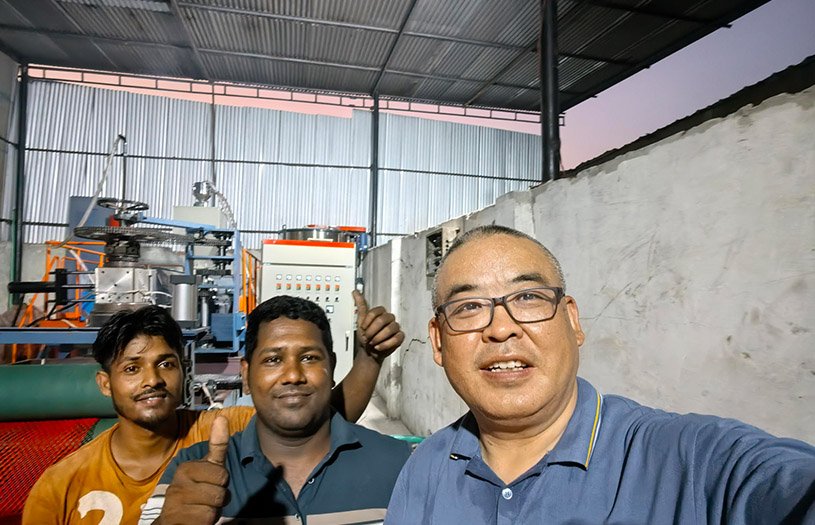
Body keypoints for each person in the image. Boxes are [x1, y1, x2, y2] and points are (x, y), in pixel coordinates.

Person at [386, 225, 815, 524]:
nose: (501, 328)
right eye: (468, 307)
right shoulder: (426, 466)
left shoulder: (693, 462)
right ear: (438, 342)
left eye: (529, 297)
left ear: (573, 321)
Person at [23, 291, 403, 525]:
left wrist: (369, 359)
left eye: (166, 364)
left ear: (184, 372)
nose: (152, 380)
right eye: (132, 368)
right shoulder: (61, 485)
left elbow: (314, 414)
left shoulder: (220, 430)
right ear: (105, 382)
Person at [139, 296, 411, 524]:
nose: (293, 375)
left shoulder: (400, 464)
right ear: (246, 375)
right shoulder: (191, 471)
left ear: (332, 366)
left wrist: (369, 359)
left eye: (309, 358)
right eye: (273, 360)